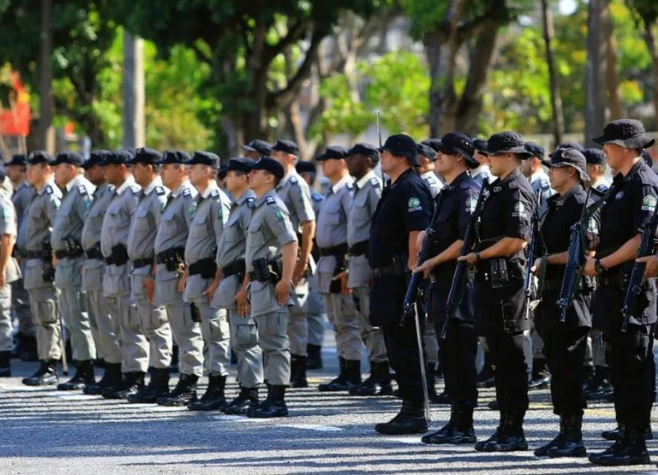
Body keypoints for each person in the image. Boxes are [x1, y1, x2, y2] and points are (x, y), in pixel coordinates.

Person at [584, 119, 658, 466]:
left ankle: (635, 442)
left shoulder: (642, 182)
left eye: (610, 145)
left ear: (628, 148)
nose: (605, 150)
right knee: (619, 364)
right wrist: (598, 245)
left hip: (633, 288)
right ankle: (626, 433)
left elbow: (643, 238)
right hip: (614, 289)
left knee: (633, 366)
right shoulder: (620, 183)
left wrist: (602, 263)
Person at [459, 131, 535, 452]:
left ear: (508, 156)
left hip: (507, 284)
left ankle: (514, 430)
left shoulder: (516, 188)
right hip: (491, 282)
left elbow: (517, 240)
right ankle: (505, 427)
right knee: (499, 360)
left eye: (491, 155)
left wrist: (479, 256)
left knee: (510, 359)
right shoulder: (496, 188)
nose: (486, 160)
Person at [413, 132, 481, 445]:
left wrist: (431, 261)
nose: (436, 155)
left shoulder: (467, 191)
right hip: (442, 284)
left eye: (443, 151)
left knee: (459, 354)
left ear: (460, 158)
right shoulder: (447, 192)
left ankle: (464, 422)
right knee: (448, 355)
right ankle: (455, 419)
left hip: (459, 284)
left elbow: (463, 240)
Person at [532, 148, 596, 458]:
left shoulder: (582, 204)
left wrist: (543, 261)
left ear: (571, 171)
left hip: (571, 296)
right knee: (557, 365)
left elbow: (582, 254)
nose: (549, 171)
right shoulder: (555, 204)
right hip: (551, 293)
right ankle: (564, 432)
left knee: (569, 369)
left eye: (554, 167)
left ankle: (574, 436)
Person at [369, 134, 433, 436]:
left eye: (386, 152)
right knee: (394, 343)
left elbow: (417, 231)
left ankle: (415, 410)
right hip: (386, 278)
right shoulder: (393, 186)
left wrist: (412, 270)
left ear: (403, 157)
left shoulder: (411, 187)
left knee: (406, 344)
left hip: (401, 278)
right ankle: (408, 405)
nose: (381, 155)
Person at [113, 148, 170, 401]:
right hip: (138, 269)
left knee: (157, 326)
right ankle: (149, 380)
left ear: (149, 168)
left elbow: (163, 238)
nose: (132, 171)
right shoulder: (144, 197)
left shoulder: (158, 197)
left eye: (136, 166)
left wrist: (155, 274)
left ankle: (160, 380)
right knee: (145, 324)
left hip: (150, 269)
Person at [244, 157, 299, 418]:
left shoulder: (272, 206)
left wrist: (286, 280)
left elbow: (290, 242)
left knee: (275, 342)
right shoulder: (258, 206)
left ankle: (278, 400)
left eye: (256, 171)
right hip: (258, 283)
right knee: (266, 341)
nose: (250, 173)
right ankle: (271, 395)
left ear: (269, 178)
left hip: (271, 284)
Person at [213, 157, 263, 415]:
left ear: (244, 178)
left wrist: (245, 288)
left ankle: (251, 392)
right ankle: (245, 388)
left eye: (231, 174)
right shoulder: (236, 206)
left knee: (246, 337)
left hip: (243, 279)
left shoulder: (249, 207)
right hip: (232, 279)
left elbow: (251, 253)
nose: (225, 179)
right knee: (238, 338)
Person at [183, 151, 233, 411]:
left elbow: (223, 247)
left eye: (194, 167)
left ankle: (217, 388)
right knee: (206, 333)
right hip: (196, 277)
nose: (188, 170)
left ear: (208, 171)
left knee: (216, 333)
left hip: (209, 278)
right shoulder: (199, 201)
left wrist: (217, 282)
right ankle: (209, 385)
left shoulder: (217, 202)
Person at [342, 143, 391, 397]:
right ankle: (374, 370)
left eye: (352, 157)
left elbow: (379, 228)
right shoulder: (356, 189)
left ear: (368, 161)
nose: (347, 161)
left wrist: (375, 264)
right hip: (355, 261)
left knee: (372, 320)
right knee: (362, 317)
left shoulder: (373, 187)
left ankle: (382, 375)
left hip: (368, 259)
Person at [315, 146, 364, 391]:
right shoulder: (331, 192)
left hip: (340, 262)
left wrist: (347, 265)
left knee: (346, 319)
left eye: (328, 160)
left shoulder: (347, 191)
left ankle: (353, 372)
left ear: (342, 162)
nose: (323, 164)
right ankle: (344, 369)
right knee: (335, 320)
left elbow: (352, 232)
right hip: (327, 263)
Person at [95, 150, 142, 398]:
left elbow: (138, 229)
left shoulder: (132, 194)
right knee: (117, 325)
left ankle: (136, 376)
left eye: (109, 167)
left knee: (129, 323)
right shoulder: (115, 195)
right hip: (111, 269)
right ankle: (124, 373)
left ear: (122, 167)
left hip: (125, 267)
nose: (104, 171)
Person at [50, 152, 98, 391]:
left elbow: (91, 227)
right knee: (71, 317)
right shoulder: (68, 192)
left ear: (70, 167)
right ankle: (81, 364)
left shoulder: (81, 191)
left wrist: (85, 257)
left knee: (79, 317)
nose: (54, 172)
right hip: (65, 264)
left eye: (57, 167)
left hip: (76, 262)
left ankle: (86, 369)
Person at [271, 139, 316, 387]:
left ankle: (299, 368)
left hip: (295, 257)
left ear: (289, 157)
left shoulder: (296, 184)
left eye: (277, 153)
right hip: (278, 259)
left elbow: (308, 225)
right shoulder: (278, 185)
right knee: (281, 316)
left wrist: (301, 265)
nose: (272, 157)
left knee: (296, 316)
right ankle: (284, 367)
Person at [80, 151, 123, 394]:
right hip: (93, 264)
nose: (94, 172)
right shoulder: (101, 194)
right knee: (97, 320)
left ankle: (115, 369)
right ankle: (109, 367)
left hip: (105, 263)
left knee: (107, 320)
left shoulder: (112, 193)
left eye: (95, 167)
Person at [20, 151, 63, 386]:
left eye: (33, 168)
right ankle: (44, 360)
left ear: (46, 169)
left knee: (48, 315)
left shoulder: (50, 195)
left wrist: (54, 258)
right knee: (39, 315)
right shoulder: (35, 195)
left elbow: (58, 228)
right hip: (32, 262)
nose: (28, 172)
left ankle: (51, 365)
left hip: (44, 262)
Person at [522, 141, 554, 391]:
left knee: (537, 315)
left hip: (541, 258)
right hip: (532, 257)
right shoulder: (533, 183)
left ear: (533, 161)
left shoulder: (541, 184)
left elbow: (540, 228)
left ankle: (542, 367)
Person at [295, 159, 327, 370]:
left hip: (314, 257)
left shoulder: (316, 200)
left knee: (314, 308)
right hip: (299, 258)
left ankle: (314, 351)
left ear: (305, 178)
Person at [6, 154, 37, 362]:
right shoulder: (20, 191)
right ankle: (26, 338)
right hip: (19, 252)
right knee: (20, 301)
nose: (9, 171)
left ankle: (31, 341)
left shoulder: (26, 193)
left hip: (25, 255)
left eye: (13, 167)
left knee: (25, 301)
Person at [0, 165, 19, 377]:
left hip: (1, 265)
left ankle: (3, 361)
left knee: (1, 314)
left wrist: (2, 269)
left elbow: (7, 238)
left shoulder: (3, 202)